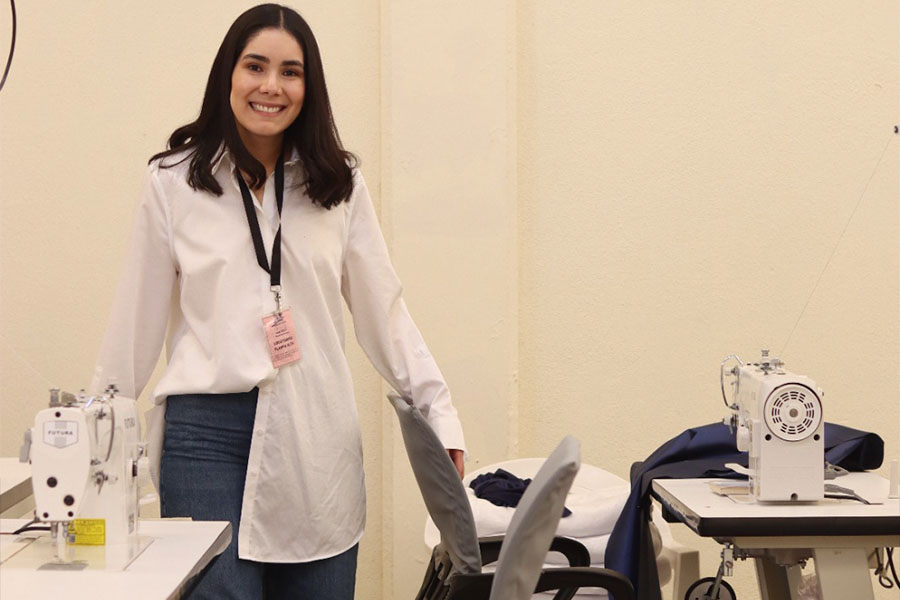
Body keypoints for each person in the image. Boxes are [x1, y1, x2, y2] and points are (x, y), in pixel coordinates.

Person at [90, 4, 466, 599]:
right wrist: (96, 437)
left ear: (308, 86)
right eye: (255, 66)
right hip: (204, 436)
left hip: (315, 433)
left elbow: (384, 313)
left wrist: (437, 413)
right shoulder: (174, 180)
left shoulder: (338, 187)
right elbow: (133, 321)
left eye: (290, 72)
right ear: (228, 76)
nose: (271, 86)